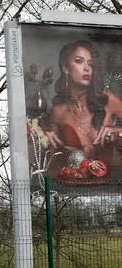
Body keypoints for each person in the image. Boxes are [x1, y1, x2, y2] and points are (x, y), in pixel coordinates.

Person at [42, 40, 122, 175]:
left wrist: (119, 131)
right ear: (65, 68)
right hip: (77, 187)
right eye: (79, 61)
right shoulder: (58, 111)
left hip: (115, 184)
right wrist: (43, 138)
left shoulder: (108, 100)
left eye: (90, 64)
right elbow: (52, 159)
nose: (87, 68)